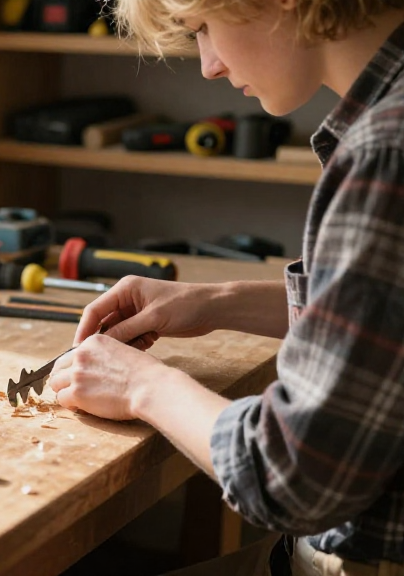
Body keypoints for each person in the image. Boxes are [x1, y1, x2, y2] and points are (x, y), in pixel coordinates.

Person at [45, 1, 404, 574]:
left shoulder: (385, 152)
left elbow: (291, 477)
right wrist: (212, 302)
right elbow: (383, 325)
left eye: (203, 28)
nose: (208, 64)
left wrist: (142, 386)